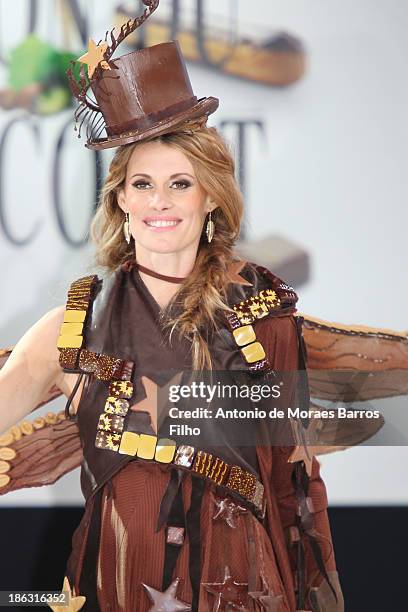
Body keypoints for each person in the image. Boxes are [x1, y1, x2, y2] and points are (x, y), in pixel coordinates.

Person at [0, 2, 407, 611]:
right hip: (116, 583)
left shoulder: (263, 315)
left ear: (210, 200)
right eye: (143, 184)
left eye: (181, 183)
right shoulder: (72, 325)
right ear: (121, 203)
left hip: (246, 587)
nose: (160, 201)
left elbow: (330, 417)